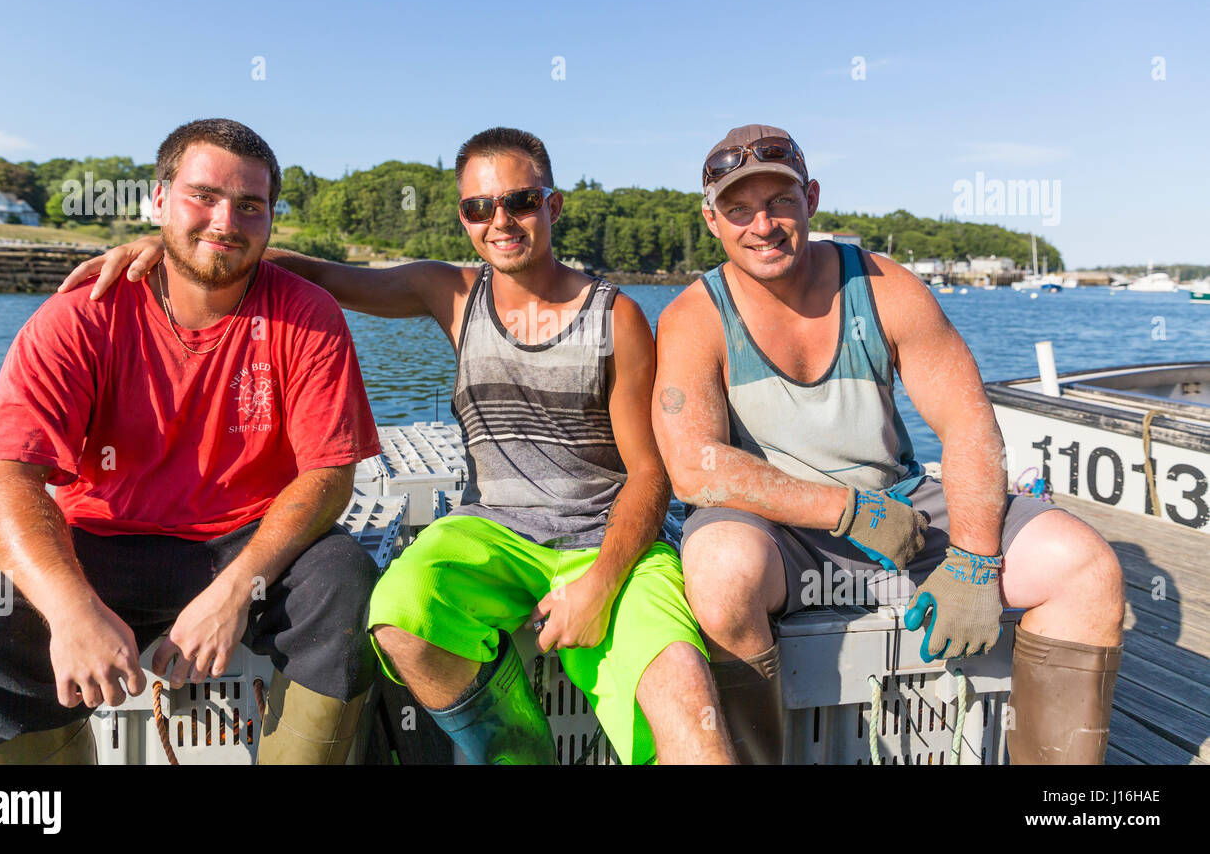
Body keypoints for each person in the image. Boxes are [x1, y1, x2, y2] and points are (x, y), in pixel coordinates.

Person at [73, 126, 735, 765]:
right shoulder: (450, 293)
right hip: (492, 533)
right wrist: (173, 245)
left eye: (521, 201)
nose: (500, 220)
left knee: (688, 710)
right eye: (480, 206)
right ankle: (521, 754)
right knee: (395, 615)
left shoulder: (613, 316)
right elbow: (322, 275)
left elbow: (650, 474)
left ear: (553, 206)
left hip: (606, 538)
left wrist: (602, 581)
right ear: (463, 217)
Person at [651, 124, 1125, 764]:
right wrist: (844, 512)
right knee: (717, 573)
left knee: (1085, 567)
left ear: (811, 198)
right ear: (712, 220)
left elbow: (967, 424)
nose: (762, 225)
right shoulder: (692, 316)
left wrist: (975, 562)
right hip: (774, 529)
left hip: (901, 507)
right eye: (739, 209)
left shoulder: (884, 288)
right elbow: (694, 470)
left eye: (780, 202)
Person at [0, 118, 382, 764]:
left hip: (248, 541)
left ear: (272, 218)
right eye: (204, 196)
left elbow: (327, 474)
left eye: (250, 206)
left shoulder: (307, 316)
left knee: (347, 586)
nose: (226, 220)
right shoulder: (81, 316)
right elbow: (5, 478)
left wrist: (235, 591)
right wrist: (71, 609)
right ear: (158, 201)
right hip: (100, 544)